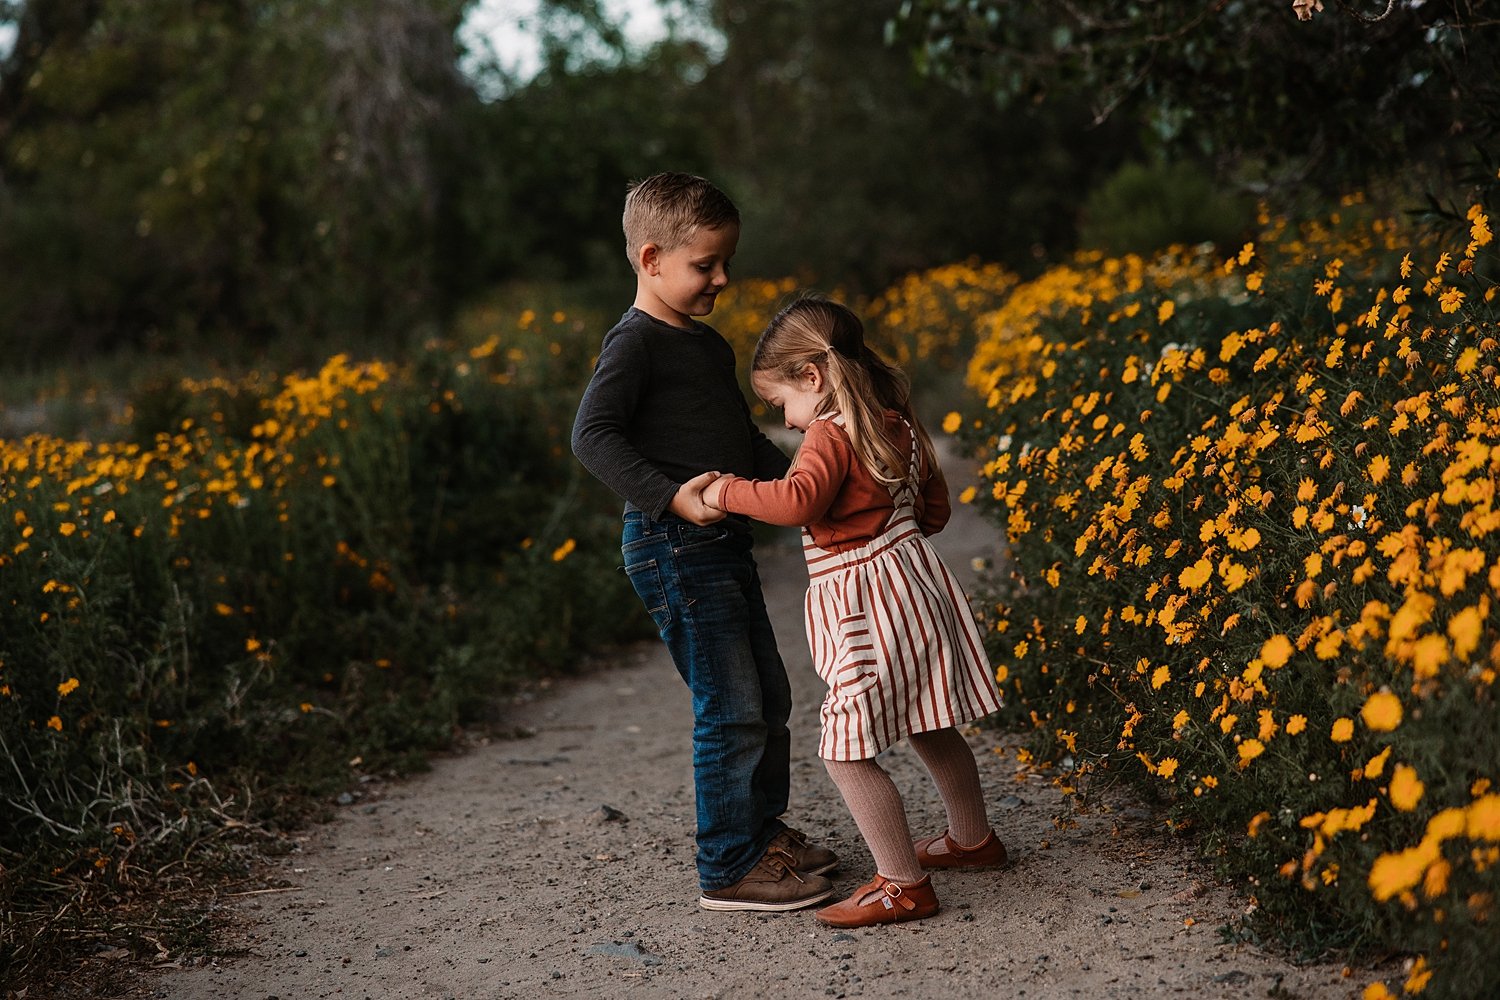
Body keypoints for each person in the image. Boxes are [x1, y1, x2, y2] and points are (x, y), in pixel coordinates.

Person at [571, 172, 837, 912]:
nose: (722, 278)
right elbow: (591, 436)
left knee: (768, 693)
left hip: (721, 547)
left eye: (725, 262)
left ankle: (761, 834)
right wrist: (669, 497)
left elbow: (742, 439)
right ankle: (727, 865)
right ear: (651, 259)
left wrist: (810, 493)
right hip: (670, 545)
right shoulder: (635, 345)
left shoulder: (708, 346)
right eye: (705, 266)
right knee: (730, 704)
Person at [701, 296, 1007, 928]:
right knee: (929, 717)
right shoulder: (898, 424)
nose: (784, 418)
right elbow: (935, 513)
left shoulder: (828, 434)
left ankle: (902, 883)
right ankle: (972, 839)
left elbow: (796, 502)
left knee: (844, 748)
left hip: (864, 605)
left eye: (780, 402)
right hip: (916, 582)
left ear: (812, 378)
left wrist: (726, 489)